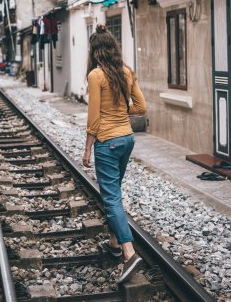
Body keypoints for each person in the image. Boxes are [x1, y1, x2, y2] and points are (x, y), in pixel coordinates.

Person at [82, 24, 147, 284]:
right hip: (127, 140)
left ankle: (129, 253)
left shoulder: (96, 76)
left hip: (107, 142)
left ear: (96, 52)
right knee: (114, 193)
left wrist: (87, 148)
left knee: (110, 199)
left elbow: (94, 119)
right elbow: (141, 106)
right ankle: (113, 241)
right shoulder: (127, 71)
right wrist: (121, 113)